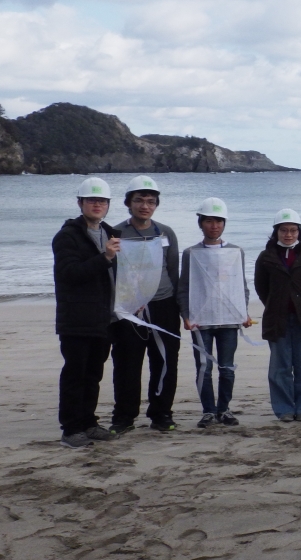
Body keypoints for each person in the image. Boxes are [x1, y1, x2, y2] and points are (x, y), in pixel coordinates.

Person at [109, 175, 182, 435]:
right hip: (129, 309)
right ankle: (124, 417)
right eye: (139, 200)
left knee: (164, 362)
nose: (145, 206)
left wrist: (181, 307)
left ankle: (161, 413)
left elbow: (174, 271)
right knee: (127, 364)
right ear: (128, 203)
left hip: (163, 305)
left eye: (150, 201)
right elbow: (111, 273)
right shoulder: (115, 232)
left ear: (156, 205)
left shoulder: (166, 233)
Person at [53, 177, 121, 448]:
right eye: (92, 200)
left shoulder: (111, 232)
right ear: (80, 203)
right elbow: (69, 274)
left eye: (102, 201)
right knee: (75, 374)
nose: (97, 204)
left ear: (108, 205)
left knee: (94, 374)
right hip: (76, 319)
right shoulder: (67, 236)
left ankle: (89, 423)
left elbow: (122, 274)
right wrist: (103, 258)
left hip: (104, 318)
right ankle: (71, 429)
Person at [179, 197, 252, 428]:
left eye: (219, 221)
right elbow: (184, 287)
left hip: (229, 320)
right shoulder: (191, 253)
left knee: (227, 367)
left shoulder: (235, 251)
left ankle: (225, 409)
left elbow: (240, 286)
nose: (214, 225)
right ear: (201, 223)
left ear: (224, 223)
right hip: (202, 320)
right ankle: (208, 411)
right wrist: (185, 315)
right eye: (209, 220)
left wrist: (244, 312)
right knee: (204, 367)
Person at [255, 209, 301, 422]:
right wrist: (277, 305)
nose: (288, 234)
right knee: (280, 367)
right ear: (276, 232)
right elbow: (261, 288)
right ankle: (284, 408)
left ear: (299, 232)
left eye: (293, 230)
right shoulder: (266, 256)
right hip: (278, 319)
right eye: (284, 230)